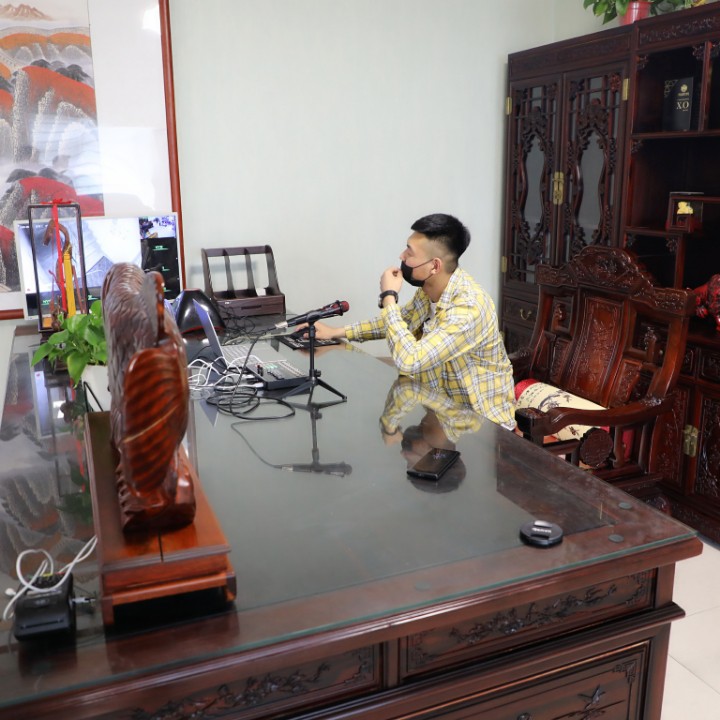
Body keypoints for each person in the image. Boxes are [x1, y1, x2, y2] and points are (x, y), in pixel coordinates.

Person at [312, 213, 516, 428]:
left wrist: (388, 296)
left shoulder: (469, 308)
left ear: (434, 266)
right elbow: (400, 322)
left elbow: (410, 360)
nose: (402, 256)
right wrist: (335, 332)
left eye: (409, 252)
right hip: (442, 415)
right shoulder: (429, 290)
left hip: (483, 426)